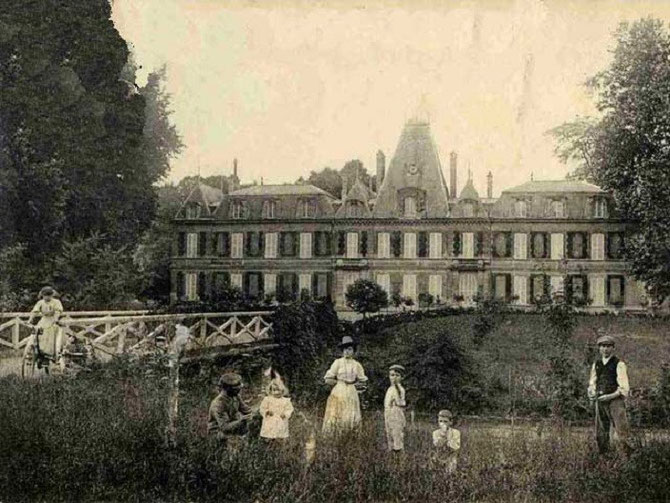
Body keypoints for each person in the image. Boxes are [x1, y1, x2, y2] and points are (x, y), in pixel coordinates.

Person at [587, 333, 632, 455]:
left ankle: (626, 460)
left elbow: (624, 388)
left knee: (621, 431)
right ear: (599, 348)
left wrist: (610, 396)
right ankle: (605, 458)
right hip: (600, 401)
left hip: (615, 401)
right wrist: (591, 392)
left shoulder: (619, 364)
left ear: (613, 348)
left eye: (608, 346)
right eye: (602, 346)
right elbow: (592, 382)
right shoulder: (596, 364)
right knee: (600, 432)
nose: (605, 349)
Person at [322, 335, 368, 434]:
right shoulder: (337, 363)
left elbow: (363, 380)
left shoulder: (357, 365)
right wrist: (338, 383)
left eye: (349, 349)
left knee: (350, 412)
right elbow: (328, 378)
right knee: (337, 412)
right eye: (345, 349)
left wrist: (355, 385)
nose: (347, 351)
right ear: (342, 351)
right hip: (339, 390)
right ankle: (335, 436)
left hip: (351, 391)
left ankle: (350, 436)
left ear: (353, 351)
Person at [208, 372, 255, 452]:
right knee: (237, 445)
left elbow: (247, 410)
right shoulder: (218, 404)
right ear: (227, 388)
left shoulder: (235, 396)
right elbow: (224, 427)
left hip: (234, 429)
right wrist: (241, 420)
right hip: (219, 432)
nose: (240, 388)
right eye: (236, 387)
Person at [26, 286, 65, 370]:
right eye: (45, 296)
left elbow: (58, 312)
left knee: (50, 334)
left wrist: (55, 319)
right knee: (37, 333)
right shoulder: (40, 302)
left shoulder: (56, 302)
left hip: (53, 320)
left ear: (52, 295)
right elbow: (35, 311)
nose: (47, 297)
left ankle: (49, 355)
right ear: (42, 295)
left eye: (49, 295)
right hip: (43, 320)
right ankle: (36, 352)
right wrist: (30, 320)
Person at [384, 364, 407, 452]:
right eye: (392, 375)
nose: (394, 378)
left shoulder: (400, 389)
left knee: (396, 433)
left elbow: (400, 402)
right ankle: (391, 453)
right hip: (388, 412)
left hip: (396, 413)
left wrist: (396, 402)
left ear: (402, 377)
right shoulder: (390, 389)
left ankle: (398, 453)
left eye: (397, 375)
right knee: (389, 433)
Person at [432, 409, 461, 474]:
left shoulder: (456, 432)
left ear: (450, 422)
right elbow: (437, 445)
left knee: (451, 468)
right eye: (440, 421)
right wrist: (442, 435)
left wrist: (447, 436)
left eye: (445, 421)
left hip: (450, 458)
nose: (442, 424)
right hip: (439, 458)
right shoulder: (435, 433)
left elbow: (455, 447)